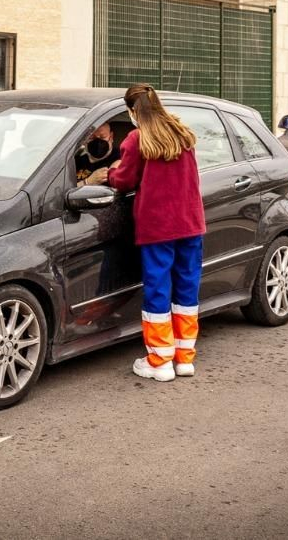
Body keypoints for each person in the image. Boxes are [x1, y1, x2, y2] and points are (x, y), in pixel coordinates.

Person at [107, 84, 207, 382]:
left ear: (132, 111)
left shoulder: (138, 139)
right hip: (190, 223)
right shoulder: (182, 133)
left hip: (158, 227)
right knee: (187, 287)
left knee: (158, 289)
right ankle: (184, 357)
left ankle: (160, 360)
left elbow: (124, 181)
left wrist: (111, 172)